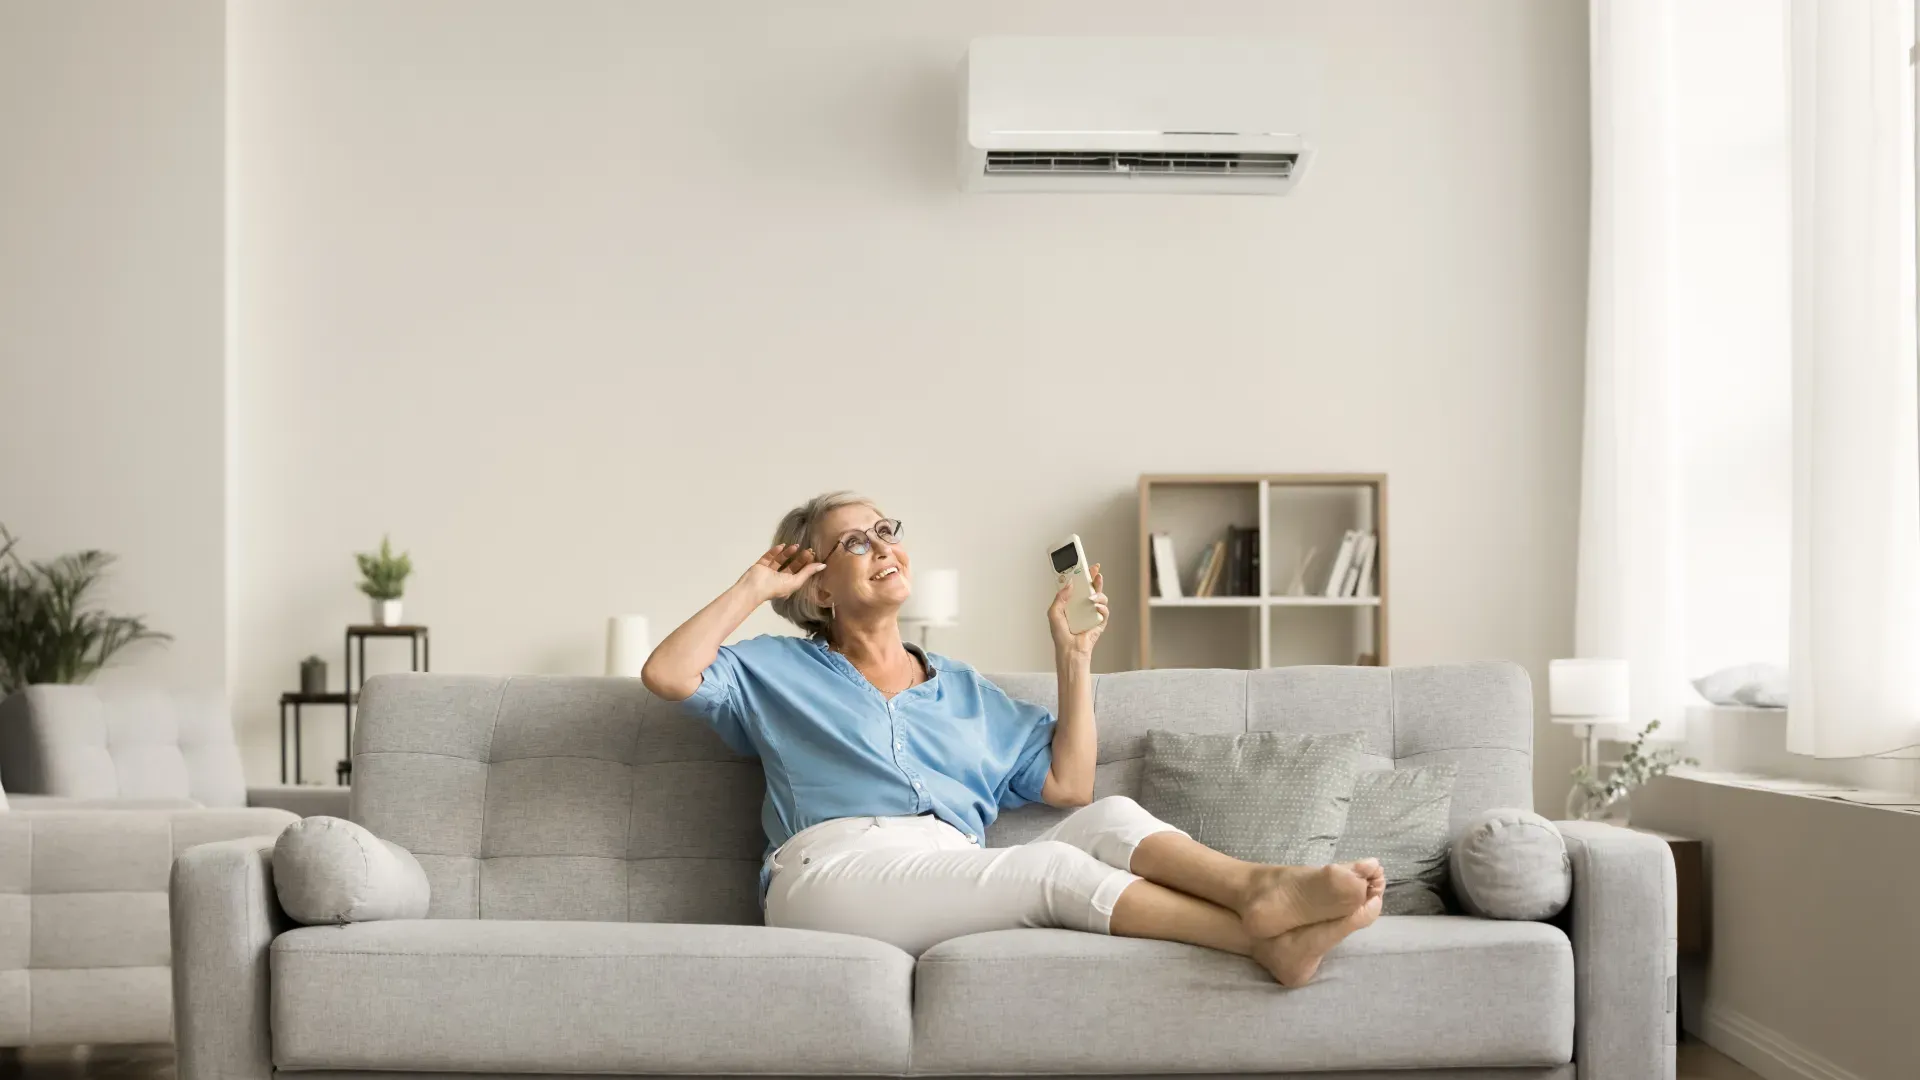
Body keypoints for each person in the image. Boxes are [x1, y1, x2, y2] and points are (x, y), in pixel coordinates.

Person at [642, 491, 1383, 986]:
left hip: (947, 865)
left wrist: (1074, 656)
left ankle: (1257, 889)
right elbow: (667, 674)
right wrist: (754, 586)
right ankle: (1257, 936)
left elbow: (1070, 786)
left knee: (1111, 818)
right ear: (819, 586)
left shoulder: (964, 690)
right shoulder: (773, 668)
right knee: (1050, 869)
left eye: (887, 531)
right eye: (856, 543)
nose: (884, 546)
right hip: (830, 875)